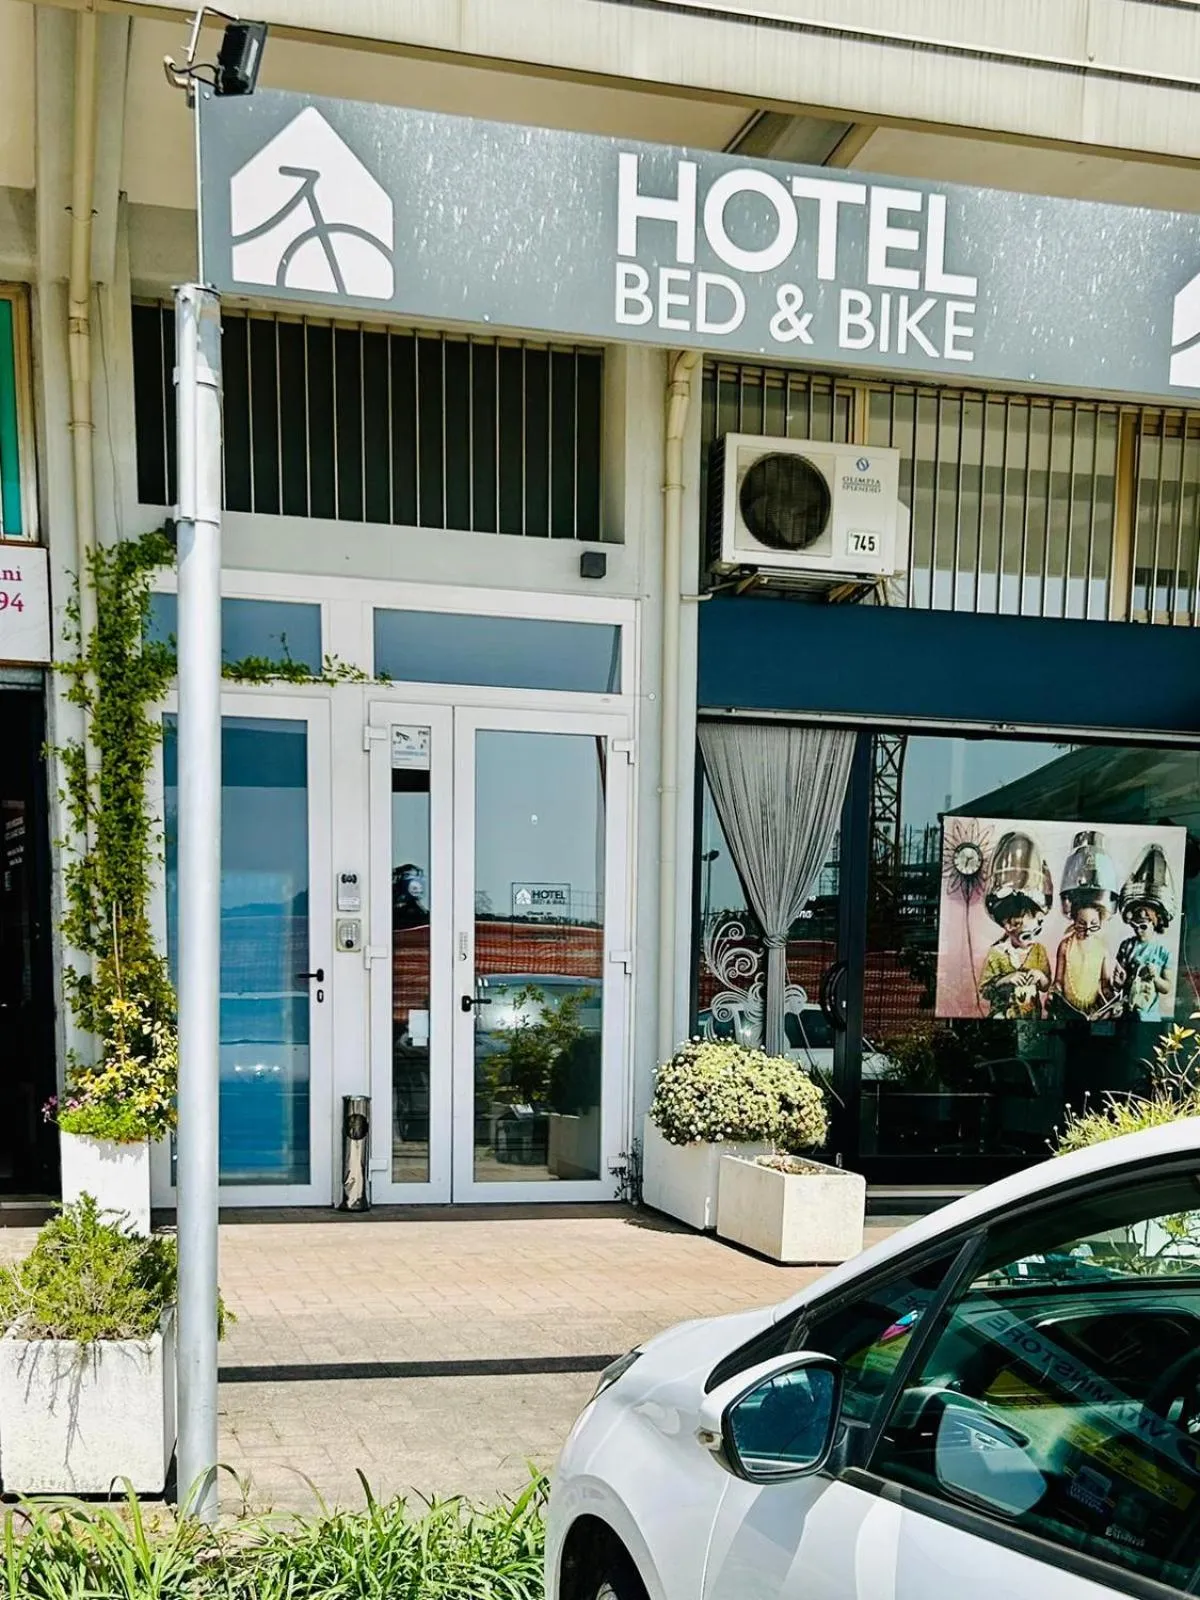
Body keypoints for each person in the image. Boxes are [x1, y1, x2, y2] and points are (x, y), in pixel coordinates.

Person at [977, 832, 1054, 1019]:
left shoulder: (1039, 951)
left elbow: (1046, 986)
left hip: (1031, 1018)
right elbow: (985, 991)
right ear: (1009, 926)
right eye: (1026, 935)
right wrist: (1006, 979)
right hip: (1002, 1018)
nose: (1032, 940)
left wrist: (1040, 976)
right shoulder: (997, 953)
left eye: (1037, 932)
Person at [1115, 843, 1176, 1022]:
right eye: (1134, 926)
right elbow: (1118, 983)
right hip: (1125, 1014)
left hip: (1149, 1016)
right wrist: (1118, 982)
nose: (1137, 930)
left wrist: (1156, 977)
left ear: (1155, 922)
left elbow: (1166, 988)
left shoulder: (1164, 952)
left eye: (1142, 926)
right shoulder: (1126, 946)